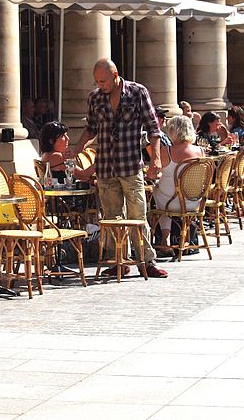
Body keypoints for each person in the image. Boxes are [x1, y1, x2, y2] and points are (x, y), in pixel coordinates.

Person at [68, 57, 168, 278]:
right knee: (112, 217)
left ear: (115, 75)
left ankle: (146, 261)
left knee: (137, 215)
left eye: (103, 81)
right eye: (96, 81)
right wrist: (77, 148)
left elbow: (153, 129)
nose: (100, 85)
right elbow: (91, 128)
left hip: (130, 164)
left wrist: (156, 160)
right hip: (105, 167)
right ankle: (118, 261)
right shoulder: (95, 97)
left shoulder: (137, 92)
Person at [152, 115, 205, 250]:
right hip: (193, 201)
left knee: (158, 192)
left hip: (170, 203)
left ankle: (165, 239)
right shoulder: (200, 151)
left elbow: (153, 173)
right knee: (167, 192)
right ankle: (186, 236)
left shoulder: (166, 151)